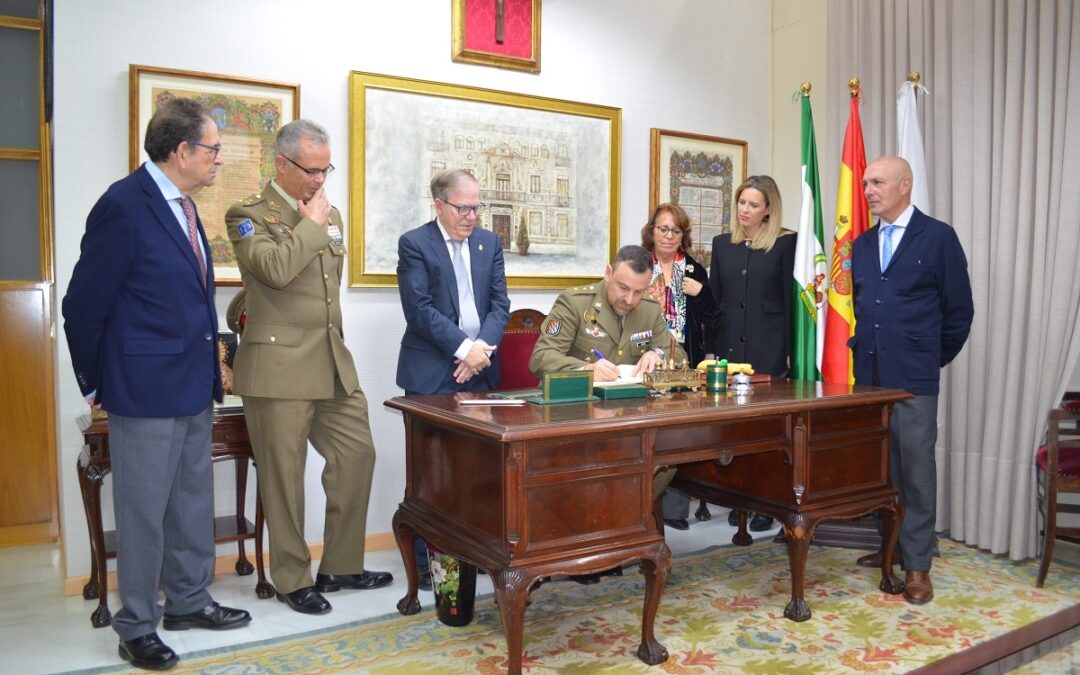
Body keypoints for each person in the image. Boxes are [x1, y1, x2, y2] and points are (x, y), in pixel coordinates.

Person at [63, 97, 250, 671]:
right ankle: (136, 624)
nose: (219, 159)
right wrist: (96, 384)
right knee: (142, 512)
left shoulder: (186, 208)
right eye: (214, 149)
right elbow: (82, 305)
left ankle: (189, 601)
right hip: (141, 390)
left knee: (191, 502)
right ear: (182, 150)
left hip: (192, 384)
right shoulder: (124, 205)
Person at [225, 119, 392, 616]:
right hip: (277, 369)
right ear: (282, 163)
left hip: (329, 360)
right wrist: (311, 225)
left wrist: (317, 222)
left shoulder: (329, 214)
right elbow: (273, 271)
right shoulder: (247, 215)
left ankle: (340, 564)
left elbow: (321, 289)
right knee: (285, 477)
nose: (320, 180)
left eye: (326, 169)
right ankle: (292, 578)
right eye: (310, 169)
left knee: (357, 455)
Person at [849, 156, 973, 605]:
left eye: (877, 182)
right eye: (865, 183)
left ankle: (918, 564)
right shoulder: (862, 245)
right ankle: (892, 547)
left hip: (914, 378)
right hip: (870, 379)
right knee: (882, 472)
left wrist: (930, 357)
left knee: (917, 472)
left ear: (906, 185)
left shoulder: (938, 238)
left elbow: (959, 312)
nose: (868, 190)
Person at [395, 168, 511, 588]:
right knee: (433, 471)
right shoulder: (415, 244)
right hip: (432, 373)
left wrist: (481, 353)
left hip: (481, 371)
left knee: (476, 469)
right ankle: (429, 561)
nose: (472, 216)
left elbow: (500, 303)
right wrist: (465, 350)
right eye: (463, 207)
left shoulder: (489, 242)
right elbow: (419, 310)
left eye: (477, 207)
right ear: (439, 205)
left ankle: (471, 552)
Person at [710, 175, 796, 532]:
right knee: (735, 431)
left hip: (769, 347)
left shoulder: (785, 243)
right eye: (741, 203)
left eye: (753, 204)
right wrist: (712, 350)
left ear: (768, 210)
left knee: (767, 432)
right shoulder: (722, 244)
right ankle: (741, 499)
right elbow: (715, 301)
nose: (745, 210)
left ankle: (769, 503)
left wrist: (792, 354)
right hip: (730, 346)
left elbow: (793, 303)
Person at [640, 204, 720, 531]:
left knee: (677, 433)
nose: (669, 236)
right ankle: (640, 507)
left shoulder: (693, 269)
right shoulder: (638, 263)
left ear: (683, 236)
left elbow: (713, 315)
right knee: (646, 435)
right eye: (663, 229)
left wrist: (701, 294)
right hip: (643, 357)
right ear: (652, 231)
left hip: (684, 357)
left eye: (676, 231)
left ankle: (673, 510)